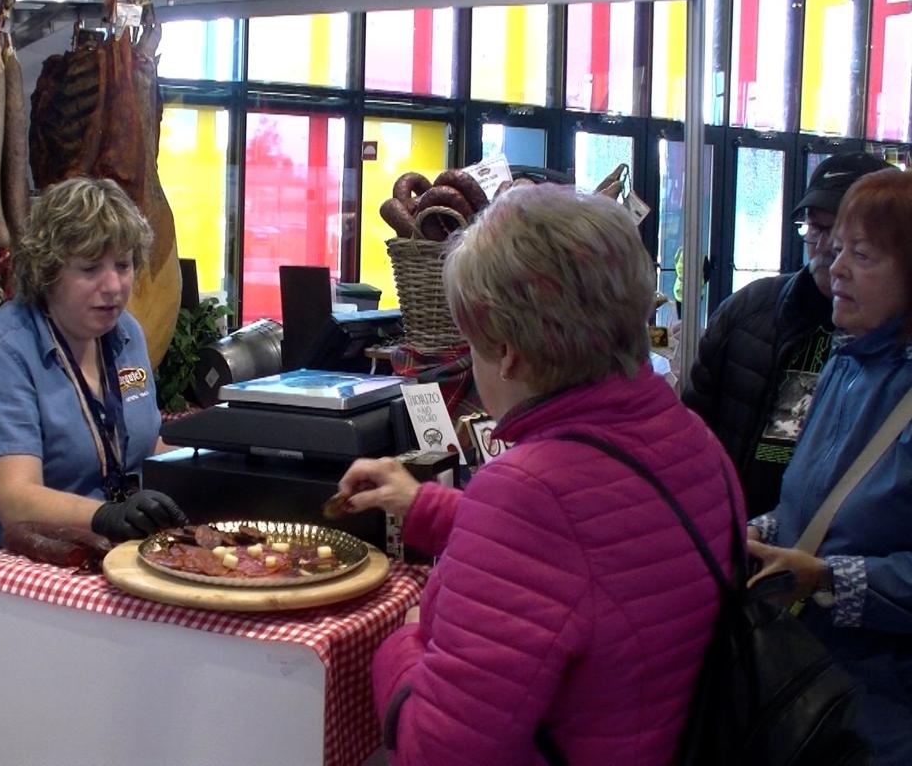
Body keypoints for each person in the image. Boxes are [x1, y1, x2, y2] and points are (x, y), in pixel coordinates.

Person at [335, 184, 742, 765]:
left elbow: (437, 750)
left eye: (470, 343)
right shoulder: (692, 438)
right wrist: (421, 503)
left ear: (506, 351)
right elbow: (597, 547)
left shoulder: (532, 491)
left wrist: (406, 635)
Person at [0, 177, 186, 766]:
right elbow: (15, 499)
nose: (113, 286)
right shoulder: (1, 351)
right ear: (46, 270)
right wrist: (109, 514)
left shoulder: (126, 337)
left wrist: (196, 473)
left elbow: (141, 438)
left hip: (81, 575)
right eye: (90, 268)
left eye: (123, 264)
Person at [747, 169, 912, 765]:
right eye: (836, 247)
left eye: (861, 255)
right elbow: (809, 505)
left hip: (884, 711)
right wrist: (757, 533)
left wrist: (827, 578)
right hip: (806, 686)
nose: (835, 268)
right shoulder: (844, 365)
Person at [684, 152, 894, 517]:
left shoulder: (889, 355)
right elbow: (691, 431)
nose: (829, 251)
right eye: (817, 228)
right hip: (732, 533)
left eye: (853, 243)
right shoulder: (748, 311)